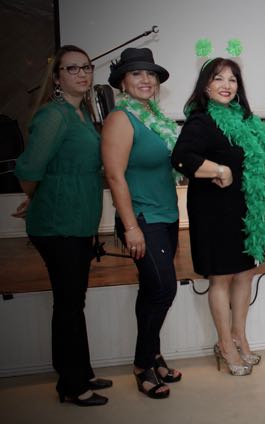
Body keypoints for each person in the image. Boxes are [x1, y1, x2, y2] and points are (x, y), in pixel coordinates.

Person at [13, 45, 110, 406]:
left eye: (86, 67)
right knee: (69, 304)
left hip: (78, 221)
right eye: (72, 68)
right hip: (58, 224)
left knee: (73, 301)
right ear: (56, 78)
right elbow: (28, 169)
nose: (82, 74)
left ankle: (80, 371)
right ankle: (71, 385)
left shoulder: (81, 114)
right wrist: (36, 197)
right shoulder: (53, 115)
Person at [172, 58, 265, 376]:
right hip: (214, 214)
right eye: (218, 78)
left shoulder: (246, 120)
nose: (226, 85)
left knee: (245, 274)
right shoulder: (201, 121)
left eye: (232, 79)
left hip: (244, 213)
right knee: (220, 278)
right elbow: (181, 158)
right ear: (206, 85)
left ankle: (239, 337)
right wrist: (219, 170)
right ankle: (225, 344)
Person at [101, 48, 181, 399]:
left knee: (151, 289)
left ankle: (154, 354)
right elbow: (114, 176)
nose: (146, 80)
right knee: (164, 289)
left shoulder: (154, 116)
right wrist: (131, 226)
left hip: (167, 215)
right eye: (136, 74)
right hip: (143, 218)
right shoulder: (121, 119)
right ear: (122, 82)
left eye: (151, 74)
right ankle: (141, 364)